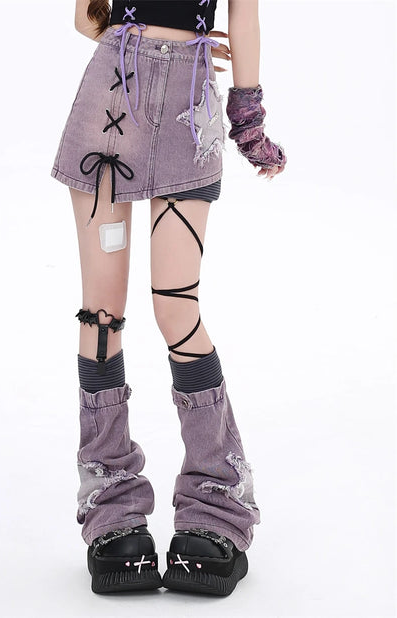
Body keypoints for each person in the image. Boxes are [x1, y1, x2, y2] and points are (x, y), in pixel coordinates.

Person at [50, 0, 286, 597]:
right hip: (115, 101)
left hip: (182, 105)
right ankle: (112, 508)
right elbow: (85, 17)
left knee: (174, 306)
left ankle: (215, 505)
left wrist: (247, 113)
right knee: (104, 313)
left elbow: (245, 16)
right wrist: (168, 57)